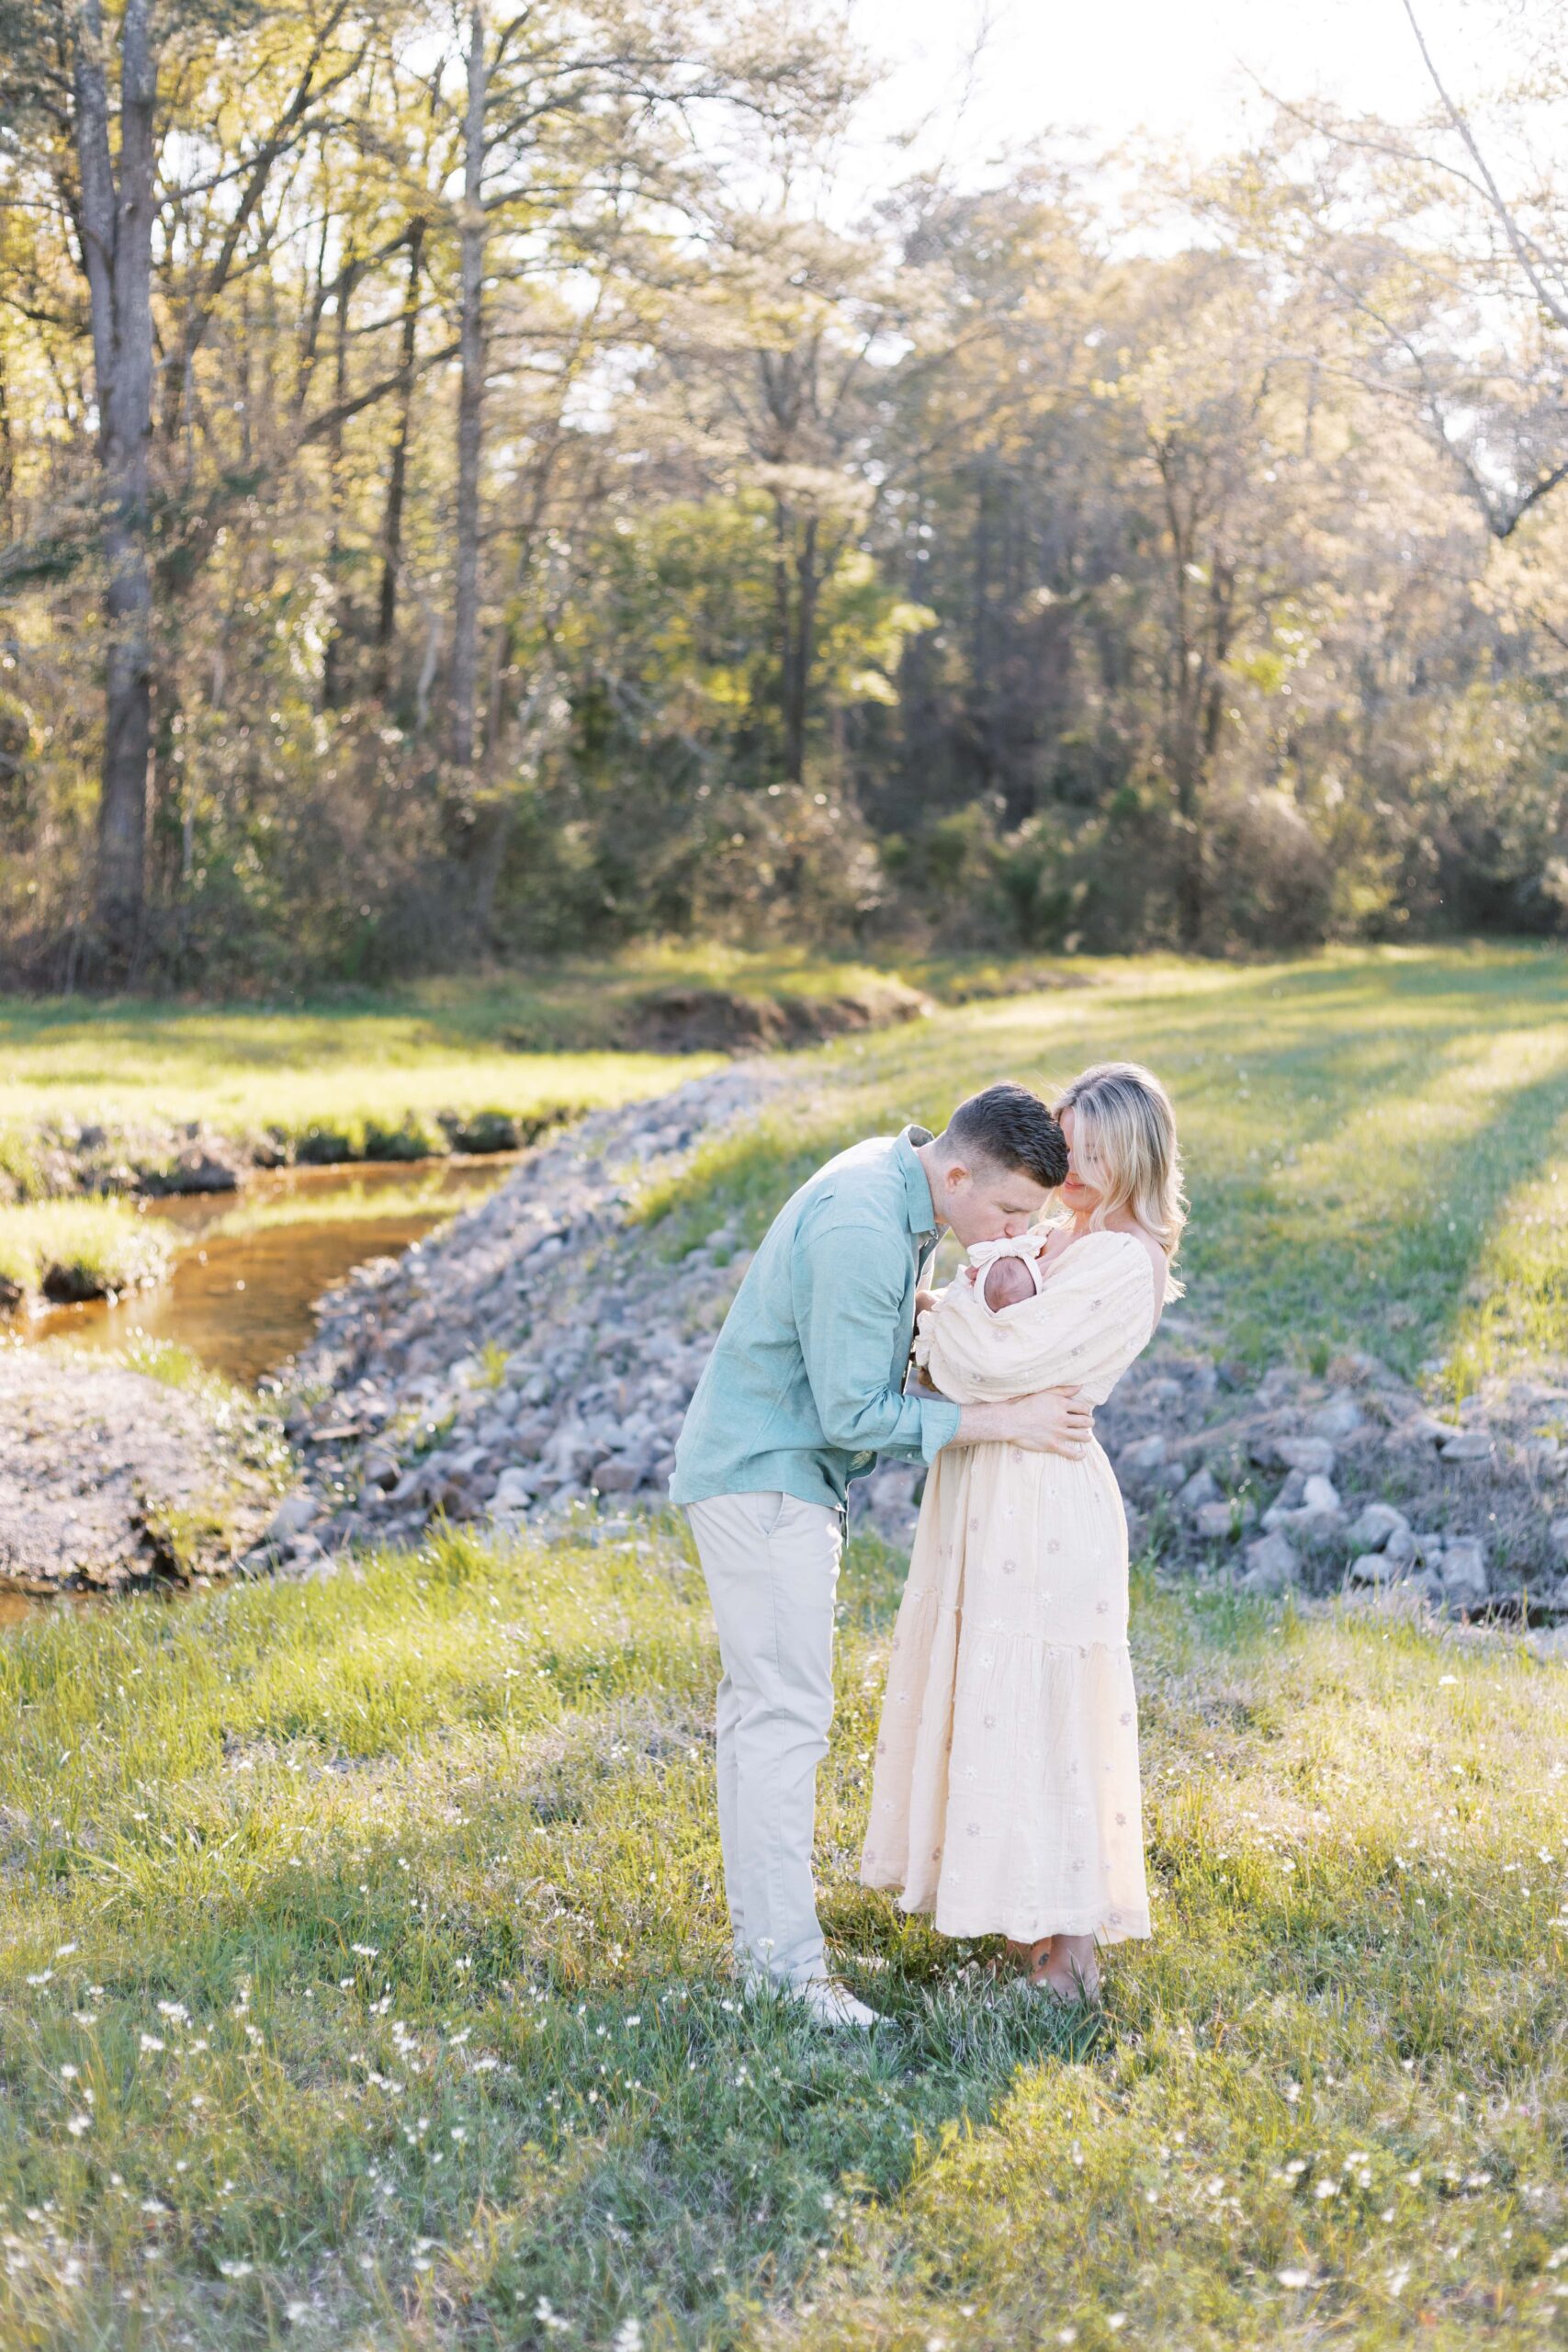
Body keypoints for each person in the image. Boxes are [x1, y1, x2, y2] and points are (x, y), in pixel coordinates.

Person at [670, 1084, 1093, 2029]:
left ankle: (771, 1946)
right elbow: (852, 1414)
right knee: (783, 1722)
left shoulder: (898, 1184)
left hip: (762, 1472)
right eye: (1011, 1212)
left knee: (760, 1719)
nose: (1008, 1237)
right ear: (955, 1171)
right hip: (766, 1483)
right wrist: (1009, 1420)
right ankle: (788, 1974)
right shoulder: (864, 1225)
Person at [860, 1062, 1185, 2003]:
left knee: (1043, 1708)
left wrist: (939, 1316)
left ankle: (1071, 1957)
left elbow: (986, 1357)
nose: (1070, 1169)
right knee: (984, 1696)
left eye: (1093, 1155)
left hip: (1045, 1499)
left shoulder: (1125, 1260)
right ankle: (1013, 1918)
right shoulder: (1058, 1237)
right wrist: (953, 1324)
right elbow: (964, 1354)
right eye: (1066, 1146)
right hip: (987, 1482)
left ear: (1136, 1158)